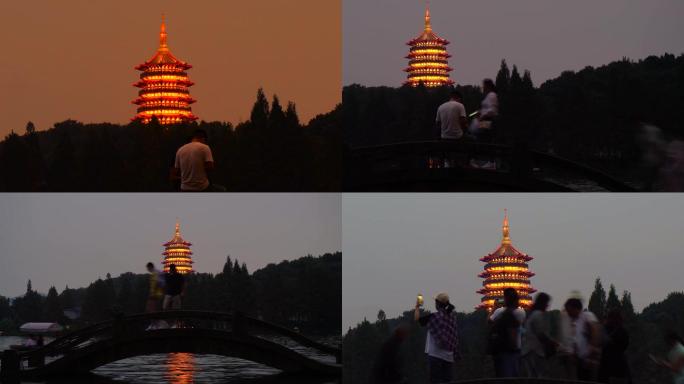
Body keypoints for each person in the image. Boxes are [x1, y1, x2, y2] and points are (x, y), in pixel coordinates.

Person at [414, 293, 460, 384]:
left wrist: (417, 307)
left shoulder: (434, 317)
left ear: (437, 304)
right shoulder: (452, 317)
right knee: (447, 381)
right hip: (449, 357)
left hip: (436, 355)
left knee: (435, 381)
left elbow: (417, 319)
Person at [559, 297, 601, 381]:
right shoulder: (575, 322)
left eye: (569, 310)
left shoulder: (587, 316)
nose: (568, 313)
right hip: (581, 360)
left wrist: (592, 349)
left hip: (590, 358)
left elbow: (594, 329)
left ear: (574, 308)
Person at [489, 288, 525, 377]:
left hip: (500, 352)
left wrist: (494, 308)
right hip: (512, 352)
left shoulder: (500, 313)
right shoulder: (521, 312)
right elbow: (513, 336)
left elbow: (489, 321)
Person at [522, 292, 558, 378]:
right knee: (538, 376)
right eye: (546, 303)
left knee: (532, 376)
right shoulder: (538, 315)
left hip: (528, 350)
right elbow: (540, 333)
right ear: (543, 303)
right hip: (534, 351)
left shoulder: (531, 314)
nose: (547, 306)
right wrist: (553, 343)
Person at [598, 308, 631, 383]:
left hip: (607, 365)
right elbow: (624, 346)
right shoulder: (623, 331)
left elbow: (601, 342)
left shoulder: (606, 330)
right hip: (620, 365)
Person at [469, 79, 499, 143]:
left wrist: (482, 117)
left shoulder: (492, 95)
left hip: (487, 120)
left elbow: (492, 110)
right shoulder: (488, 95)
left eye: (484, 85)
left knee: (482, 138)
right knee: (480, 137)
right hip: (484, 120)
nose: (483, 87)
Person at [145, 262, 165, 329]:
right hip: (154, 294)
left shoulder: (156, 273)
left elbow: (160, 283)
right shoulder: (154, 273)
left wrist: (155, 291)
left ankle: (156, 324)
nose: (147, 269)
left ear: (150, 267)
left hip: (156, 295)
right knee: (151, 309)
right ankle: (154, 324)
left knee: (152, 310)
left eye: (148, 268)